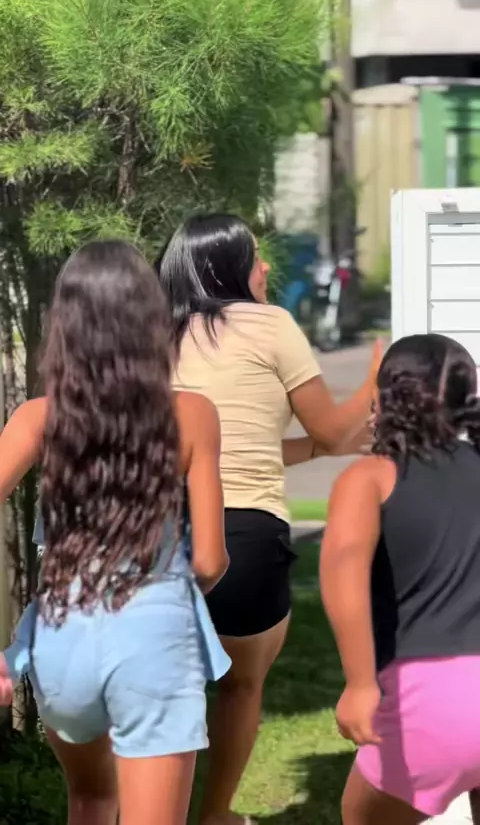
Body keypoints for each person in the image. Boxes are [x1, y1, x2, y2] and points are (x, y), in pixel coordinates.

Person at [156, 213, 381, 825]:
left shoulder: (155, 331)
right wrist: (372, 378)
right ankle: (215, 816)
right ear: (227, 266)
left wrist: (318, 448)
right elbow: (333, 430)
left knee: (159, 687)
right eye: (255, 256)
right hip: (244, 533)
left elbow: (224, 445)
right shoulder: (270, 323)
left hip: (157, 533)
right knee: (240, 686)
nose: (265, 266)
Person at [0, 240, 231, 825]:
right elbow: (210, 560)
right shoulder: (193, 415)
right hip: (153, 631)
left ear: (66, 325)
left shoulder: (37, 419)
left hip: (61, 636)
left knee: (92, 800)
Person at [320, 332, 480, 825]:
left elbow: (344, 570)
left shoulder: (370, 478)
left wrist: (359, 684)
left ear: (386, 395)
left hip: (430, 702)